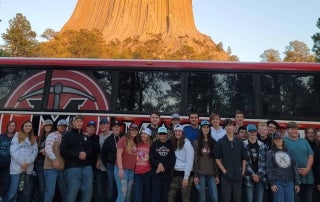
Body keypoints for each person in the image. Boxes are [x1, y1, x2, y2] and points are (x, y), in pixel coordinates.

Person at [60, 115, 93, 202]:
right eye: (77, 121)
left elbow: (91, 150)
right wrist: (77, 155)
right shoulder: (67, 135)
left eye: (81, 121)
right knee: (72, 193)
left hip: (87, 168)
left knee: (88, 192)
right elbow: (63, 151)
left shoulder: (85, 136)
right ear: (72, 123)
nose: (79, 123)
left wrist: (85, 153)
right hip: (72, 168)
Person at [214, 118, 247, 202]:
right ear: (224, 128)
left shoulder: (239, 141)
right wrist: (224, 171)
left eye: (231, 125)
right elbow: (217, 158)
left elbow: (244, 158)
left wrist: (242, 172)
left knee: (237, 199)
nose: (229, 127)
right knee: (226, 199)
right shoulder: (220, 142)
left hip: (238, 176)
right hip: (226, 177)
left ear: (233, 127)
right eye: (227, 126)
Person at [5, 120, 38, 202]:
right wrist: (22, 163)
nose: (28, 127)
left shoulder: (33, 138)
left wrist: (27, 163)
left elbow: (35, 151)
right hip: (16, 169)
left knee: (23, 191)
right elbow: (13, 151)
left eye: (29, 126)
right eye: (26, 126)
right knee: (13, 191)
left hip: (28, 169)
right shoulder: (17, 136)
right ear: (23, 127)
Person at [266, 132, 300, 202]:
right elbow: (269, 169)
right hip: (278, 182)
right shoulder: (270, 153)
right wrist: (272, 183)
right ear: (273, 141)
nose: (278, 140)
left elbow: (294, 167)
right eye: (276, 139)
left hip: (290, 182)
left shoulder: (289, 152)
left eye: (280, 138)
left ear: (283, 139)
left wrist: (297, 183)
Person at [284, 122, 314, 202]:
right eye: (292, 129)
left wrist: (307, 169)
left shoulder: (304, 141)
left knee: (308, 199)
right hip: (292, 177)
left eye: (296, 129)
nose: (294, 131)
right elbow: (281, 159)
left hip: (308, 177)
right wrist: (295, 170)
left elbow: (310, 156)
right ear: (287, 130)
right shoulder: (284, 141)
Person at [193, 120, 219, 202]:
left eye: (207, 127)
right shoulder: (197, 142)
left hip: (212, 174)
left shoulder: (214, 142)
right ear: (201, 129)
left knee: (215, 198)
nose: (206, 129)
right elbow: (195, 159)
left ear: (209, 129)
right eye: (204, 127)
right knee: (202, 198)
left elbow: (216, 160)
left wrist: (217, 175)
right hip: (201, 174)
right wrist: (195, 175)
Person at [168, 124, 194, 202]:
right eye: (176, 131)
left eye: (179, 131)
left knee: (185, 199)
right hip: (176, 174)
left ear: (182, 133)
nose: (177, 133)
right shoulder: (174, 143)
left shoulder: (187, 144)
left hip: (185, 175)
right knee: (170, 197)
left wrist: (186, 177)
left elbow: (189, 161)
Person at [43, 119, 68, 202]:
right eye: (61, 126)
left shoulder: (66, 136)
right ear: (57, 126)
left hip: (61, 168)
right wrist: (54, 160)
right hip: (50, 168)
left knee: (65, 191)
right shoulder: (52, 135)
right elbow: (48, 149)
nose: (63, 127)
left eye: (64, 126)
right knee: (50, 192)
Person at [149, 126, 176, 202]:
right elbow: (151, 159)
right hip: (156, 175)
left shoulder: (171, 144)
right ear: (158, 135)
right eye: (160, 134)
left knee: (164, 197)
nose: (162, 135)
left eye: (164, 134)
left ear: (167, 134)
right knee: (155, 197)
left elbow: (172, 160)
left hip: (166, 175)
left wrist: (162, 167)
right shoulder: (154, 144)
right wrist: (158, 164)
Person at [114, 123, 139, 202]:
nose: (134, 132)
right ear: (129, 130)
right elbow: (118, 155)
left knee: (128, 195)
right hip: (122, 170)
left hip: (131, 171)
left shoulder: (134, 141)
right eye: (132, 130)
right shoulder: (123, 139)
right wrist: (120, 169)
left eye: (136, 130)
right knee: (122, 194)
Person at [243, 124, 268, 202]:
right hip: (248, 177)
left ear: (257, 132)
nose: (252, 133)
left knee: (259, 200)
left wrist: (258, 175)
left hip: (260, 177)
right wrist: (253, 174)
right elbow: (244, 161)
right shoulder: (243, 144)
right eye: (250, 131)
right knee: (249, 199)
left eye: (254, 131)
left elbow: (265, 161)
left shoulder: (262, 145)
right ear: (247, 132)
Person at [101, 119, 123, 202]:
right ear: (112, 128)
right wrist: (107, 163)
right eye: (114, 127)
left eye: (118, 127)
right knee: (111, 187)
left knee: (120, 187)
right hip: (111, 166)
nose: (116, 128)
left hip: (121, 167)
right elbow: (103, 153)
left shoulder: (124, 138)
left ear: (120, 128)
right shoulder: (108, 140)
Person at [34, 119, 54, 202]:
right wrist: (40, 151)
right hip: (40, 163)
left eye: (49, 125)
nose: (47, 127)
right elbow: (33, 150)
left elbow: (59, 150)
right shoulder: (39, 137)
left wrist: (49, 151)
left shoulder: (55, 136)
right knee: (42, 186)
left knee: (49, 187)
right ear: (43, 126)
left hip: (50, 163)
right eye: (46, 125)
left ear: (52, 127)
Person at [134, 127, 153, 202]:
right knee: (137, 195)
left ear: (148, 135)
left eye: (145, 134)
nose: (142, 135)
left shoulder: (152, 145)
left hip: (147, 172)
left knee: (146, 194)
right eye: (142, 133)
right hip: (137, 173)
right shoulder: (137, 144)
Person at [96, 118, 112, 202]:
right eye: (101, 124)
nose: (102, 125)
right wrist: (98, 160)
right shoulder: (100, 136)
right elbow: (99, 151)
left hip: (110, 166)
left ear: (108, 125)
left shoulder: (113, 135)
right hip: (101, 167)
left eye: (104, 124)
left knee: (110, 190)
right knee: (100, 190)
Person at [84, 120, 100, 202]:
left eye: (93, 127)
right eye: (89, 127)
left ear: (95, 129)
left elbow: (96, 149)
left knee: (91, 186)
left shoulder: (97, 138)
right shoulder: (81, 136)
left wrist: (88, 138)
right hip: (82, 165)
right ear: (86, 128)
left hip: (93, 166)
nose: (91, 129)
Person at [0, 121, 16, 201]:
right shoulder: (1, 136)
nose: (11, 127)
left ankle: (3, 199)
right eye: (10, 125)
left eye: (13, 126)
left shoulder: (16, 138)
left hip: (9, 167)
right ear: (7, 126)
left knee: (6, 186)